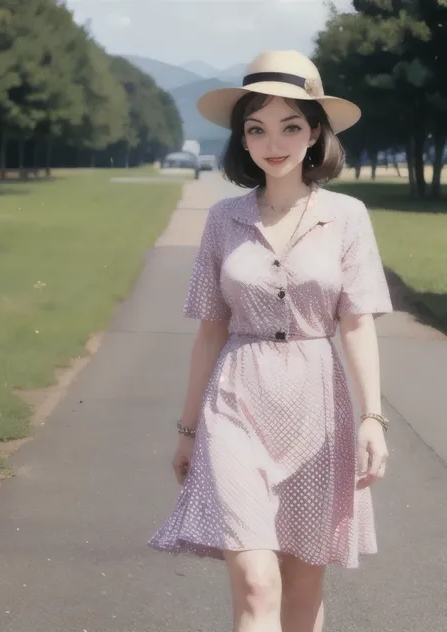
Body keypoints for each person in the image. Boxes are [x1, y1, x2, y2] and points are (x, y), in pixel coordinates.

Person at [148, 50, 393, 632]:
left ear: (314, 131)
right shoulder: (223, 219)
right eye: (256, 128)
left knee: (303, 584)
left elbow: (357, 322)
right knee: (257, 584)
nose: (273, 143)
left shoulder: (348, 216)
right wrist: (187, 430)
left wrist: (373, 418)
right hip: (236, 402)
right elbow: (210, 330)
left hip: (317, 409)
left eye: (290, 126)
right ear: (243, 139)